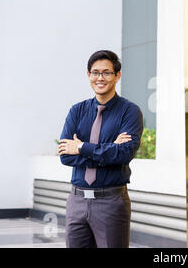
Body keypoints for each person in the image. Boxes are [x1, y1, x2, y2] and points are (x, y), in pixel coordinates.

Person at [58, 50, 143, 248]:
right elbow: (65, 156)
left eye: (106, 72)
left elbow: (123, 154)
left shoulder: (129, 111)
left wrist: (80, 147)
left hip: (111, 202)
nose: (100, 78)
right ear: (88, 75)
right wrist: (108, 150)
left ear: (117, 75)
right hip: (76, 201)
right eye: (95, 73)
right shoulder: (77, 111)